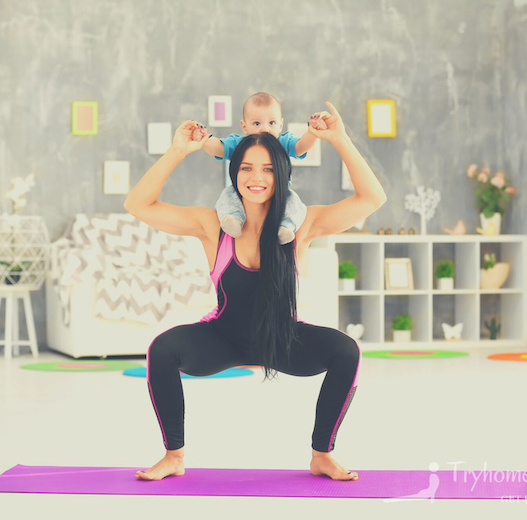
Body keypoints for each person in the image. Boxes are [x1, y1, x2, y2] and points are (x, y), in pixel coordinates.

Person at [124, 102, 387, 482]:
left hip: (281, 340)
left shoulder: (303, 224)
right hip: (223, 339)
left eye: (267, 169)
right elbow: (138, 204)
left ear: (281, 174)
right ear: (234, 173)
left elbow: (371, 199)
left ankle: (321, 455)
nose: (256, 177)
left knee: (347, 351)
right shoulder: (213, 224)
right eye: (246, 167)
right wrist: (177, 151)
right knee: (161, 350)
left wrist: (341, 140)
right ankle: (173, 456)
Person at [198, 92, 327, 245]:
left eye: (271, 123)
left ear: (280, 125)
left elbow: (300, 147)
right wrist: (203, 139)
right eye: (257, 123)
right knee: (227, 195)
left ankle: (286, 226)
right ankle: (233, 218)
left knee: (295, 203)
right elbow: (219, 148)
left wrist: (312, 133)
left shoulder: (283, 142)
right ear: (244, 126)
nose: (265, 129)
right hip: (244, 196)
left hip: (280, 193)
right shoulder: (239, 143)